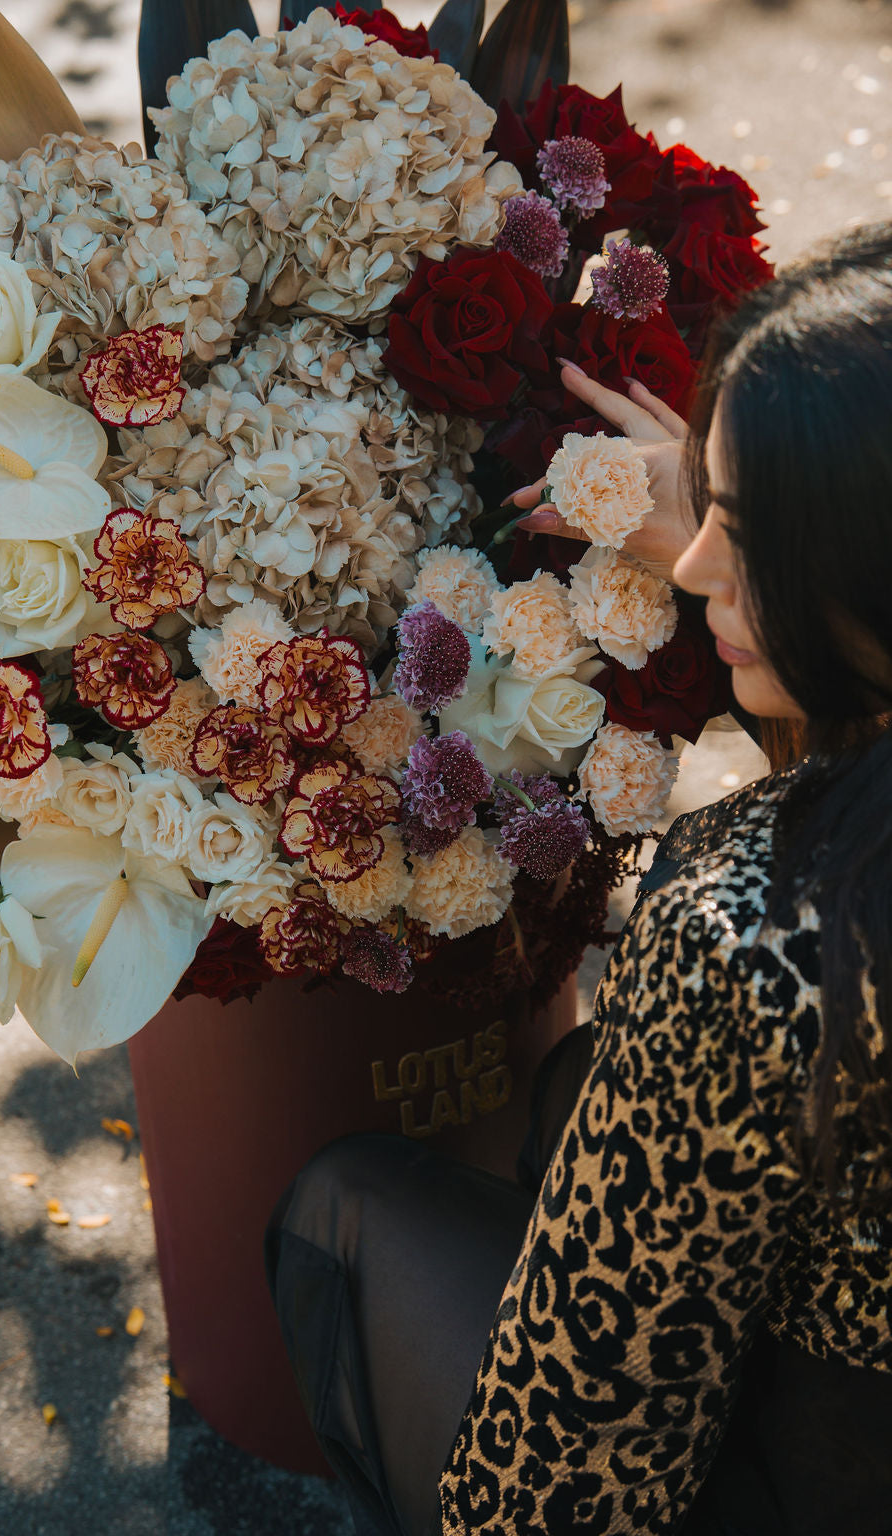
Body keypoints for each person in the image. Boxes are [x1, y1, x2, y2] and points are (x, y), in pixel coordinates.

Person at [266, 222, 892, 1536]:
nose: (702, 565)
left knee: (347, 1209)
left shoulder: (755, 940)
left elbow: (550, 1492)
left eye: (750, 533)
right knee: (569, 1089)